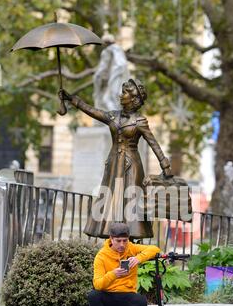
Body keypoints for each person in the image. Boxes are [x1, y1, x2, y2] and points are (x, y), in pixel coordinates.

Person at [59, 79, 172, 239]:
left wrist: (164, 164)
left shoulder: (140, 121)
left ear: (134, 99)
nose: (121, 95)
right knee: (111, 199)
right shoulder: (113, 116)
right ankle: (112, 236)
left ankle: (131, 237)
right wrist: (72, 99)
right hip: (113, 164)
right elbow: (92, 110)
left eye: (125, 92)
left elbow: (153, 142)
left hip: (131, 165)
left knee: (130, 200)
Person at [87, 222, 160, 306]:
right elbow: (97, 284)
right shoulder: (101, 256)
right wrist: (113, 274)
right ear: (111, 239)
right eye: (118, 241)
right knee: (93, 295)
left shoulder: (131, 248)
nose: (122, 245)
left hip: (127, 296)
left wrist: (139, 258)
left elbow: (155, 249)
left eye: (125, 241)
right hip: (108, 297)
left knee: (141, 301)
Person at [93, 33, 129, 112]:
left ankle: (116, 117)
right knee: (112, 98)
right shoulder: (118, 49)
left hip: (116, 77)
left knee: (108, 99)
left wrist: (97, 77)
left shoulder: (108, 51)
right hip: (120, 78)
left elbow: (103, 67)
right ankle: (116, 117)